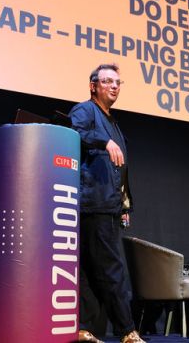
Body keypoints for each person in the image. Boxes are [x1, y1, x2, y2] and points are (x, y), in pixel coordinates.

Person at [70, 63, 144, 343]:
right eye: (107, 81)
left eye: (117, 82)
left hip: (109, 205)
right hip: (94, 203)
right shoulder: (85, 110)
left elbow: (120, 171)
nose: (114, 86)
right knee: (112, 270)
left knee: (91, 269)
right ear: (93, 86)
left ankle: (83, 329)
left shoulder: (113, 122)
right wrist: (104, 142)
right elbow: (74, 133)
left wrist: (124, 205)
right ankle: (127, 331)